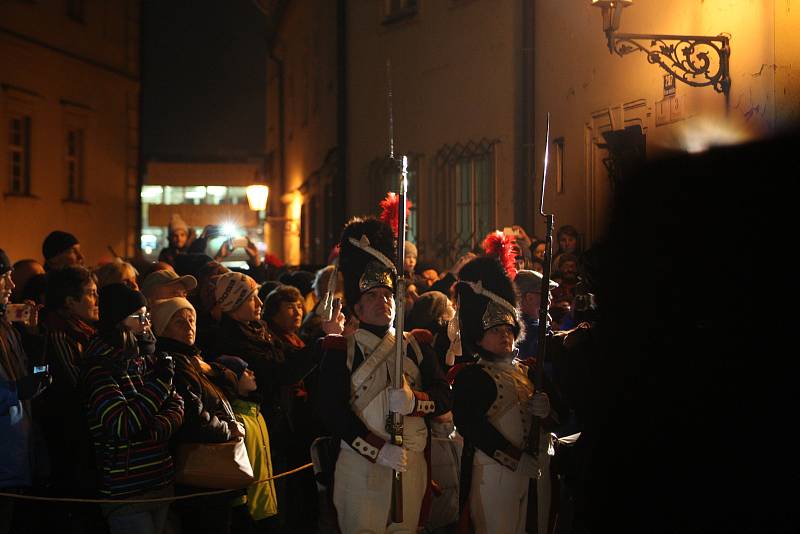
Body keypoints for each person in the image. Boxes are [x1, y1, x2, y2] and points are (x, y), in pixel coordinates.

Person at [318, 216, 452, 533]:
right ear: (357, 308)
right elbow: (331, 411)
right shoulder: (342, 350)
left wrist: (415, 402)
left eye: (387, 295)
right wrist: (376, 449)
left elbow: (444, 396)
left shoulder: (416, 346)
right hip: (362, 466)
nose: (383, 302)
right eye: (371, 297)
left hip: (410, 463)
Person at [451, 256, 551, 534]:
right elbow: (471, 425)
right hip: (496, 474)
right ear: (478, 338)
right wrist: (515, 459)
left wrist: (548, 411)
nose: (504, 335)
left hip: (536, 471)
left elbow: (560, 414)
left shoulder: (529, 373)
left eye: (508, 329)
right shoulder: (472, 377)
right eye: (495, 330)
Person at [82, 283, 183, 534]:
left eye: (147, 315)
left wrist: (156, 428)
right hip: (126, 489)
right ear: (117, 322)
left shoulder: (146, 358)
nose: (146, 323)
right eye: (138, 317)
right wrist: (160, 384)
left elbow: (177, 403)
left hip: (159, 478)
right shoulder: (101, 369)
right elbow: (121, 423)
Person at [150, 296, 241, 534]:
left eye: (192, 320)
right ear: (162, 327)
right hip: (198, 470)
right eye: (179, 321)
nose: (189, 326)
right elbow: (194, 417)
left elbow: (231, 384)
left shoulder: (192, 359)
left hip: (207, 470)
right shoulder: (174, 363)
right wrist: (227, 428)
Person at [37, 266, 101, 518]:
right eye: (91, 294)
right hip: (70, 433)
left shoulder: (82, 332)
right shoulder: (59, 334)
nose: (97, 301)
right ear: (69, 301)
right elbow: (78, 383)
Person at [0, 249, 50, 534]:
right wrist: (15, 390)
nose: (12, 285)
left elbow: (34, 381)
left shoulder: (7, 325)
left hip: (19, 459)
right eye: (4, 277)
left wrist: (35, 343)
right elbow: (18, 388)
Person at [216, 355, 279, 532]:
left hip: (265, 502)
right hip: (248, 508)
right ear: (232, 378)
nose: (252, 372)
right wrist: (240, 503)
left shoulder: (256, 414)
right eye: (244, 370)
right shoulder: (235, 419)